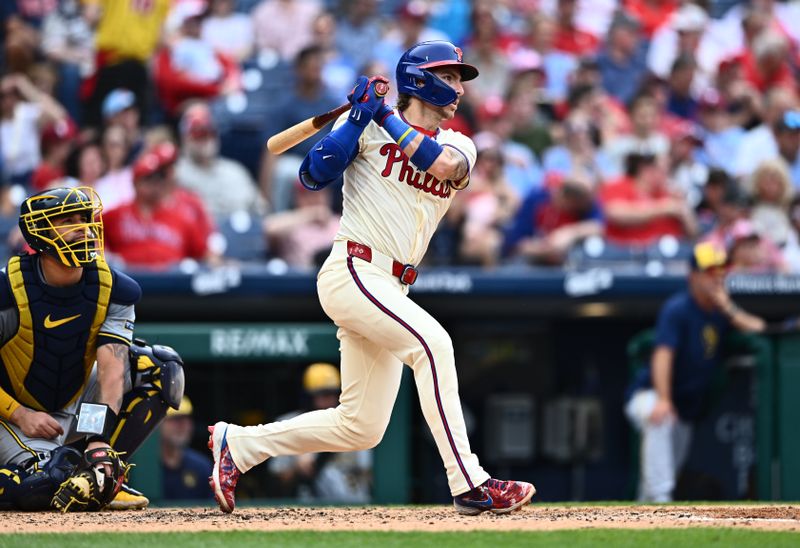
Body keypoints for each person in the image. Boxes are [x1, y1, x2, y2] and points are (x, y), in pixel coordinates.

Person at [209, 40, 535, 516]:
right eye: (449, 76)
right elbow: (312, 176)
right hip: (355, 268)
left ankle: (238, 446)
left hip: (393, 283)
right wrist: (359, 120)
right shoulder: (364, 126)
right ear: (420, 78)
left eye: (460, 78)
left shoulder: (457, 143)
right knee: (433, 345)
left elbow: (441, 167)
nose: (459, 87)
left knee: (361, 426)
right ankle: (470, 482)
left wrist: (382, 116)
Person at [0, 186, 185, 511]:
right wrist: (20, 413)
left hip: (71, 407)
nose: (82, 228)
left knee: (159, 368)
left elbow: (112, 371)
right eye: (67, 221)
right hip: (11, 416)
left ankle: (104, 476)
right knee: (52, 483)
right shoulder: (6, 290)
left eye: (85, 219)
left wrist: (97, 437)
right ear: (40, 231)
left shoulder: (114, 288)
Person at [624, 242, 766, 503]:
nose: (717, 277)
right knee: (661, 428)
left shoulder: (720, 312)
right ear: (693, 276)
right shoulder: (679, 308)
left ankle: (639, 521)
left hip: (685, 407)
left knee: (662, 472)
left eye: (721, 270)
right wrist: (664, 399)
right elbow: (662, 355)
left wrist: (728, 307)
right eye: (710, 271)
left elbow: (760, 330)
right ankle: (662, 503)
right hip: (651, 395)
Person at [268, 363, 372, 503]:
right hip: (306, 502)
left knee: (333, 475)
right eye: (321, 395)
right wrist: (297, 467)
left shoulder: (353, 425)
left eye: (332, 394)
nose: (328, 400)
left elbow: (369, 473)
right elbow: (276, 480)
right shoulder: (288, 423)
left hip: (350, 501)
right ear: (308, 397)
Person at [161, 395, 212, 501]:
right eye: (175, 419)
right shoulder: (140, 468)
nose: (183, 425)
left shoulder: (202, 466)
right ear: (158, 423)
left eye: (187, 418)